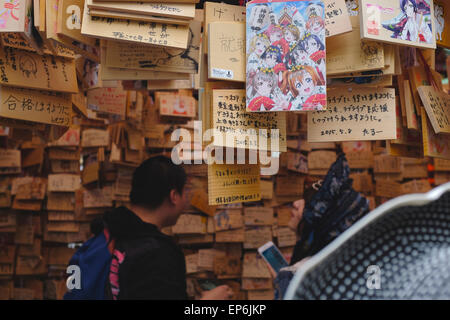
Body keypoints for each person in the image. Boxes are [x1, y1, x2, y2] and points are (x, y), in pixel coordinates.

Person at [96, 156, 234, 300]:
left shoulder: (108, 231)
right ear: (174, 196)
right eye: (185, 192)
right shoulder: (160, 254)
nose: (186, 202)